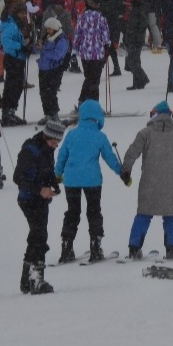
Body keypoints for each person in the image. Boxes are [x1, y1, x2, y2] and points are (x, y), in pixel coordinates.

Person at [54, 100, 125, 263]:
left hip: (71, 180)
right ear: (97, 116)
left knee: (72, 212)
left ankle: (66, 248)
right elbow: (110, 157)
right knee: (94, 212)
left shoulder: (71, 134)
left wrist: (57, 175)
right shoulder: (99, 136)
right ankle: (95, 247)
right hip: (92, 181)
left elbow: (62, 156)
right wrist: (121, 172)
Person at [120, 101, 173, 260]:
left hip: (149, 182)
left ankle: (134, 248)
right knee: (171, 216)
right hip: (172, 184)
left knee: (143, 215)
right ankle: (172, 248)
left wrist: (126, 170)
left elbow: (132, 153)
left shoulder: (145, 133)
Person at [13, 119, 67, 294]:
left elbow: (48, 171)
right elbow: (18, 178)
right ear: (46, 136)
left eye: (58, 142)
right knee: (39, 236)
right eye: (54, 141)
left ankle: (26, 280)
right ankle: (36, 279)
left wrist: (54, 184)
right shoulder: (30, 150)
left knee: (37, 235)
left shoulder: (47, 149)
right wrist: (40, 189)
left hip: (41, 200)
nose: (56, 145)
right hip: (28, 199)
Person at [72, 0, 110, 105]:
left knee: (88, 78)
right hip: (97, 54)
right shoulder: (101, 18)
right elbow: (105, 35)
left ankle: (83, 101)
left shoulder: (82, 17)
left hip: (85, 54)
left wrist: (74, 51)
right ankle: (93, 104)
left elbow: (77, 35)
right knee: (95, 80)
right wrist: (107, 46)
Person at [0, 2, 32, 126]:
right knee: (13, 87)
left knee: (16, 86)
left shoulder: (16, 24)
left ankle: (9, 112)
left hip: (17, 59)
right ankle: (8, 113)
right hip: (13, 59)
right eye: (22, 13)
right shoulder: (12, 25)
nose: (24, 15)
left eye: (25, 13)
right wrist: (21, 47)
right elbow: (5, 42)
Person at [35, 16, 69, 124]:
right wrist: (36, 46)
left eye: (49, 29)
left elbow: (57, 55)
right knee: (43, 93)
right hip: (43, 68)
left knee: (51, 93)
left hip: (54, 70)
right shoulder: (47, 37)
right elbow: (40, 49)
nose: (47, 31)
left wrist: (43, 50)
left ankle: (54, 115)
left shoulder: (61, 39)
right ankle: (48, 114)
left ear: (55, 28)